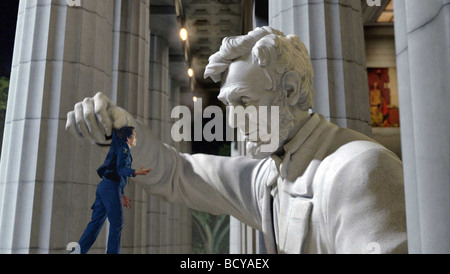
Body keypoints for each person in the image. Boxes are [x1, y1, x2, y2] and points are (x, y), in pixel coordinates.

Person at [66, 27, 407, 254]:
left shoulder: (359, 170)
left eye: (243, 101)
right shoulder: (271, 177)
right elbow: (178, 172)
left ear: (288, 90)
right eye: (227, 105)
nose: (232, 120)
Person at [76, 126, 152, 254]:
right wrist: (136, 172)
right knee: (117, 223)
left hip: (105, 186)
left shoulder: (120, 148)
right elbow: (120, 169)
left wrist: (121, 194)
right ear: (128, 139)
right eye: (134, 135)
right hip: (111, 187)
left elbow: (116, 173)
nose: (136, 138)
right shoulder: (124, 150)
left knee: (95, 224)